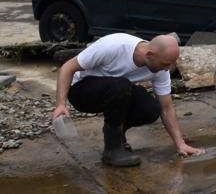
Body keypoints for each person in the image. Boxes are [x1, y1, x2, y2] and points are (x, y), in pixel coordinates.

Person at [49, 33, 204, 167]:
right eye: (164, 64)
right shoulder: (114, 46)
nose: (167, 69)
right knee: (121, 85)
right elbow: (67, 67)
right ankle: (112, 151)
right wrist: (61, 105)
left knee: (150, 109)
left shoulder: (161, 66)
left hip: (117, 92)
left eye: (170, 65)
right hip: (82, 91)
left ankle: (116, 136)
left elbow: (166, 107)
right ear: (149, 55)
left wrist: (180, 143)